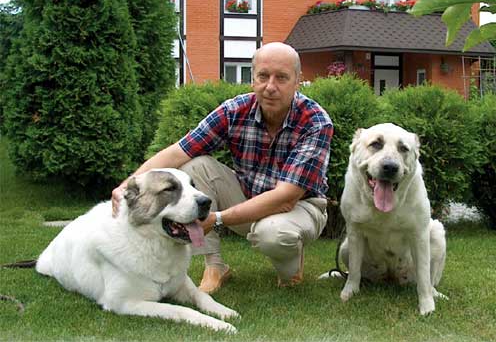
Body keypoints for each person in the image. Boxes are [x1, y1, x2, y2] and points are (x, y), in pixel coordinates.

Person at [111, 42, 334, 293]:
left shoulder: (315, 121)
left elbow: (285, 198)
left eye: (282, 78)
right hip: (247, 195)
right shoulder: (234, 110)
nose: (270, 87)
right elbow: (178, 151)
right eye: (263, 76)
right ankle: (215, 266)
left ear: (297, 81)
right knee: (195, 166)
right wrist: (126, 185)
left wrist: (217, 219)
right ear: (253, 79)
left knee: (274, 234)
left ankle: (290, 270)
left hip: (300, 208)